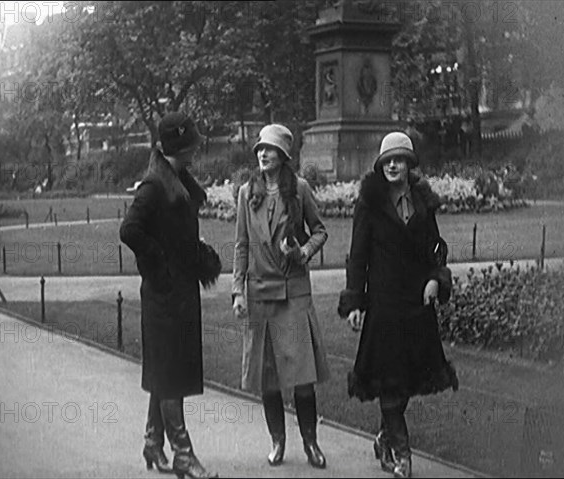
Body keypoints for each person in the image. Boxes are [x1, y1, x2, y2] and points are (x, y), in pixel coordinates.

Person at [338, 131, 459, 478]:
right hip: (384, 304)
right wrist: (355, 302)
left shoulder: (422, 201)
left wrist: (437, 279)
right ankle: (403, 454)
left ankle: (384, 435)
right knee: (390, 379)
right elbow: (358, 256)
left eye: (400, 159)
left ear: (409, 164)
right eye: (387, 160)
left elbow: (436, 247)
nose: (393, 165)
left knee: (404, 381)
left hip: (417, 303)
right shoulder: (370, 204)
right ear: (380, 165)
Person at [120, 112, 221, 479]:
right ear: (182, 146)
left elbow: (173, 232)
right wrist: (159, 263)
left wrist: (194, 255)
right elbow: (130, 230)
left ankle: (152, 441)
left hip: (180, 291)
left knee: (167, 369)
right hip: (164, 294)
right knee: (171, 372)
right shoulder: (153, 186)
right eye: (193, 143)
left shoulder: (175, 179)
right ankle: (183, 453)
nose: (197, 149)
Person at [232, 124, 331, 469]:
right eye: (260, 149)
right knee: (268, 377)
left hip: (293, 293)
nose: (262, 154)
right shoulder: (247, 192)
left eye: (270, 149)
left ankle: (311, 443)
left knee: (302, 376)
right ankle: (277, 441)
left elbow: (320, 231)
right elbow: (242, 244)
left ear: (283, 155)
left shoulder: (299, 189)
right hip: (261, 296)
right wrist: (237, 291)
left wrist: (302, 252)